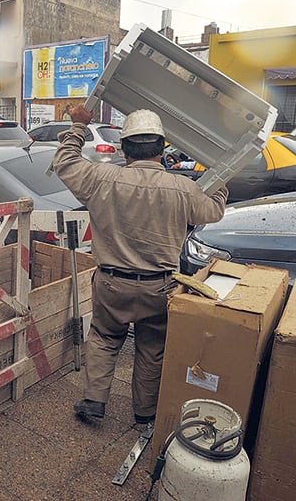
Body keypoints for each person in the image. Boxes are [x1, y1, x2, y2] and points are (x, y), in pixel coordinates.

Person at [51, 106, 228, 425]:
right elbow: (213, 211)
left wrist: (79, 125)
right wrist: (220, 176)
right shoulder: (183, 189)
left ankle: (94, 400)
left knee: (104, 338)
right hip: (159, 287)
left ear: (124, 148)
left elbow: (64, 161)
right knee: (151, 347)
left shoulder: (101, 178)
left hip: (111, 284)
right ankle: (144, 413)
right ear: (162, 149)